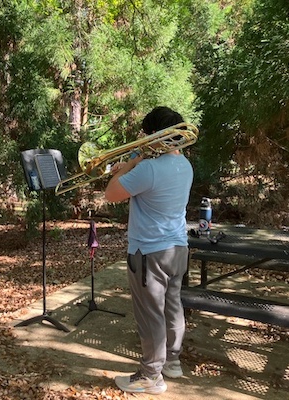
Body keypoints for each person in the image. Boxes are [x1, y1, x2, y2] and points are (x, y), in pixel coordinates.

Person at [105, 106, 194, 395]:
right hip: (178, 248)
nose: (143, 141)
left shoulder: (149, 168)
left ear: (156, 135)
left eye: (146, 135)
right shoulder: (185, 166)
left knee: (150, 314)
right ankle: (172, 362)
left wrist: (132, 161)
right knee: (172, 305)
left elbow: (111, 193)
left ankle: (150, 376)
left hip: (149, 252)